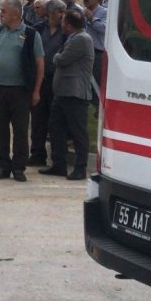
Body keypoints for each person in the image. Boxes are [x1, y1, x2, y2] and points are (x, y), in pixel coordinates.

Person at [0, 0, 44, 182]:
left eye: (3, 11)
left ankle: (19, 167)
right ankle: (3, 166)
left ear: (16, 14)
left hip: (20, 91)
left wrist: (36, 91)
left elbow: (39, 63)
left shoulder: (31, 34)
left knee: (20, 130)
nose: (0, 14)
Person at [43, 10, 95, 181]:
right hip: (63, 92)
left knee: (78, 132)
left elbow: (61, 59)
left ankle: (80, 168)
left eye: (63, 21)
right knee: (56, 128)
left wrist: (56, 56)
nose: (61, 24)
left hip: (75, 93)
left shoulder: (81, 39)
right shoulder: (73, 38)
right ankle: (59, 164)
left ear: (69, 25)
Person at [29, 0, 66, 169]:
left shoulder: (67, 31)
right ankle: (37, 154)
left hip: (57, 80)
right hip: (40, 80)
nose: (63, 15)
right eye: (60, 11)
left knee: (57, 122)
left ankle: (58, 158)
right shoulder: (38, 29)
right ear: (51, 12)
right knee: (37, 120)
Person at [82, 0, 107, 104]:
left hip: (97, 53)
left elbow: (103, 29)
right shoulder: (82, 12)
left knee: (97, 82)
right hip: (83, 54)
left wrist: (92, 18)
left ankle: (98, 107)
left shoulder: (104, 12)